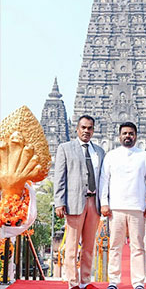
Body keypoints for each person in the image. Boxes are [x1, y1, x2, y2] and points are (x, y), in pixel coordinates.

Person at [99, 122, 146, 289]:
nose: (127, 136)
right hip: (115, 208)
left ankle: (138, 282)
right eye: (124, 133)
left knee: (138, 247)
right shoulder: (111, 155)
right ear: (119, 136)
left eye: (131, 133)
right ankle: (114, 281)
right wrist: (104, 203)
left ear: (136, 136)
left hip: (137, 208)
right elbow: (104, 180)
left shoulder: (144, 156)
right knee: (115, 246)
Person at [54, 115, 105, 289]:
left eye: (90, 128)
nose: (86, 131)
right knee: (72, 245)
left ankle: (85, 281)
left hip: (94, 203)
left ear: (93, 130)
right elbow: (59, 177)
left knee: (89, 245)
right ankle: (72, 281)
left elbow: (104, 179)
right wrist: (59, 202)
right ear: (77, 129)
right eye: (83, 127)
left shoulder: (99, 151)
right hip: (74, 202)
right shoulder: (65, 148)